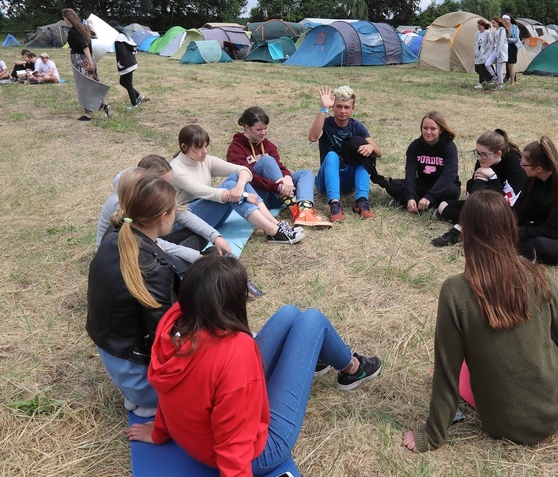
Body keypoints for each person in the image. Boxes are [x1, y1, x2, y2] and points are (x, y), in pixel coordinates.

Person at [127, 256, 382, 476]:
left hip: (195, 441)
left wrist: (160, 432)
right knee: (313, 320)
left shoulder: (173, 324)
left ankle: (322, 359)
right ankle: (352, 369)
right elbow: (233, 442)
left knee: (290, 313)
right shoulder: (235, 350)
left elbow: (169, 391)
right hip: (257, 453)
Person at [402, 190, 558, 453]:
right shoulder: (538, 275)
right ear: (511, 228)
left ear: (466, 232)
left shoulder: (455, 291)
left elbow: (447, 371)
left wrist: (432, 436)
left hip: (503, 422)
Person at [87, 170, 180, 418]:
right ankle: (151, 402)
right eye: (174, 211)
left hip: (116, 364)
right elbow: (165, 338)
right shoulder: (154, 268)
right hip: (139, 380)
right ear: (163, 217)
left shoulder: (112, 238)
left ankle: (139, 398)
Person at [96, 154, 232, 275]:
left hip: (146, 243)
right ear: (150, 183)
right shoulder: (124, 202)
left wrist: (215, 237)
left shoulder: (143, 193)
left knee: (200, 236)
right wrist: (196, 257)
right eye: (164, 184)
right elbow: (150, 243)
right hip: (128, 253)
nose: (168, 189)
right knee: (174, 263)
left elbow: (181, 213)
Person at [170, 124, 304, 245]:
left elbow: (244, 170)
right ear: (184, 147)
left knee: (235, 178)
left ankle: (276, 224)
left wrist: (240, 187)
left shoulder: (205, 160)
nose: (204, 151)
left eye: (205, 146)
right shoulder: (176, 168)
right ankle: (273, 231)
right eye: (199, 147)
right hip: (186, 221)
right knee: (229, 187)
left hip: (208, 213)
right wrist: (244, 196)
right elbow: (206, 192)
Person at [227, 106, 332, 228]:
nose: (264, 132)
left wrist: (287, 177)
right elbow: (250, 179)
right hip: (256, 196)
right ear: (247, 128)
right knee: (266, 160)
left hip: (277, 193)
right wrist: (278, 187)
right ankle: (294, 207)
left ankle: (304, 212)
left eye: (265, 128)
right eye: (259, 129)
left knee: (305, 173)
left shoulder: (268, 144)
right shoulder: (236, 148)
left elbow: (279, 166)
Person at [432, 128, 526, 247]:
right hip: (482, 207)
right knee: (443, 206)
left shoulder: (514, 165)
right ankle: (478, 229)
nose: (479, 158)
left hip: (505, 213)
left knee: (482, 178)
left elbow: (506, 203)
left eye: (484, 154)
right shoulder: (483, 161)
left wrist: (493, 177)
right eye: (477, 152)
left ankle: (457, 232)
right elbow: (472, 196)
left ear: (498, 154)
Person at [308, 85, 383, 221]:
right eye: (339, 106)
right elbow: (312, 137)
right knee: (331, 156)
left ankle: (361, 202)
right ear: (333, 107)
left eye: (346, 107)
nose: (342, 111)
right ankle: (335, 204)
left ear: (352, 109)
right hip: (326, 180)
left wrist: (370, 148)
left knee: (363, 156)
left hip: (349, 179)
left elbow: (379, 152)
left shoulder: (357, 126)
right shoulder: (326, 123)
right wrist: (323, 109)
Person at [514, 136, 558, 265]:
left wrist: (520, 233)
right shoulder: (532, 179)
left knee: (535, 244)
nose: (521, 166)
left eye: (524, 164)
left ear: (538, 168)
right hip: (540, 229)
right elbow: (521, 210)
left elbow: (554, 230)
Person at [381, 111, 460, 212]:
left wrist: (429, 196)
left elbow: (449, 175)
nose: (428, 132)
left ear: (440, 130)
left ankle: (416, 204)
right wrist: (410, 196)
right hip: (422, 183)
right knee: (392, 185)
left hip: (443, 186)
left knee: (453, 192)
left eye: (433, 129)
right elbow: (410, 174)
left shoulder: (449, 147)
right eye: (425, 128)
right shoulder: (415, 146)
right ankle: (426, 207)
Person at [62, 7, 111, 121]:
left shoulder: (73, 32)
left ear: (67, 19)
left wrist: (89, 63)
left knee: (83, 86)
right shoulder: (84, 28)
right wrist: (90, 25)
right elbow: (96, 36)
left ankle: (88, 114)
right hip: (89, 59)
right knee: (93, 83)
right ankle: (104, 105)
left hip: (81, 61)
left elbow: (85, 47)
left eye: (64, 18)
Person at [109, 20, 146, 110]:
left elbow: (122, 52)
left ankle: (134, 104)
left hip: (127, 64)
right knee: (123, 82)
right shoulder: (124, 36)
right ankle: (139, 96)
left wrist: (121, 63)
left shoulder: (118, 38)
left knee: (128, 84)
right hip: (131, 62)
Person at [473, 19, 494, 88]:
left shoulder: (487, 33)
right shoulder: (477, 33)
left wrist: (485, 49)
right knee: (477, 68)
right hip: (478, 51)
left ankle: (483, 81)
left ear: (483, 26)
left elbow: (490, 42)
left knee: (482, 67)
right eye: (477, 26)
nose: (478, 28)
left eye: (479, 26)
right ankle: (486, 79)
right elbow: (476, 42)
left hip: (485, 52)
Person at [503, 15, 521, 88]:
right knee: (506, 63)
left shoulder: (515, 28)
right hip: (505, 47)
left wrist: (507, 39)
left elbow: (516, 39)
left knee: (511, 65)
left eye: (505, 20)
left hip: (512, 47)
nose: (504, 21)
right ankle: (506, 78)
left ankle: (512, 83)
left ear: (509, 20)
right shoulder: (503, 28)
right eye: (503, 20)